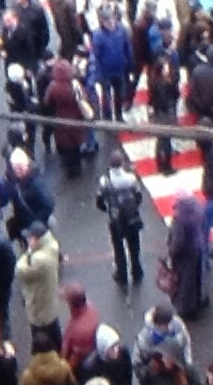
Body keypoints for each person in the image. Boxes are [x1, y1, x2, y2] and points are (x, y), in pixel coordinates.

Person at [97, 150, 145, 285]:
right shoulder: (131, 178)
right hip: (131, 216)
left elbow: (99, 200)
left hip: (115, 218)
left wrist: (108, 210)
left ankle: (122, 273)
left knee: (118, 248)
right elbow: (138, 196)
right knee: (134, 246)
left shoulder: (105, 181)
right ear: (122, 163)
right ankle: (137, 271)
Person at [17, 220, 63, 349]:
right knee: (54, 330)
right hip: (49, 302)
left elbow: (20, 270)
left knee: (41, 338)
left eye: (30, 238)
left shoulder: (40, 260)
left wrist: (29, 251)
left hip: (39, 308)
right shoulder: (51, 246)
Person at [168, 189, 208, 320]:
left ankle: (187, 309)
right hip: (198, 247)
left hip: (185, 254)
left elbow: (178, 241)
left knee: (186, 282)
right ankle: (200, 299)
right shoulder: (198, 208)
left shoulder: (180, 218)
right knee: (198, 277)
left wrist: (172, 253)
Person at [61, 282, 101, 376]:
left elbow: (74, 361)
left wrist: (62, 372)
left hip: (80, 366)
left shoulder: (80, 331)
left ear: (72, 304)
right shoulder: (89, 308)